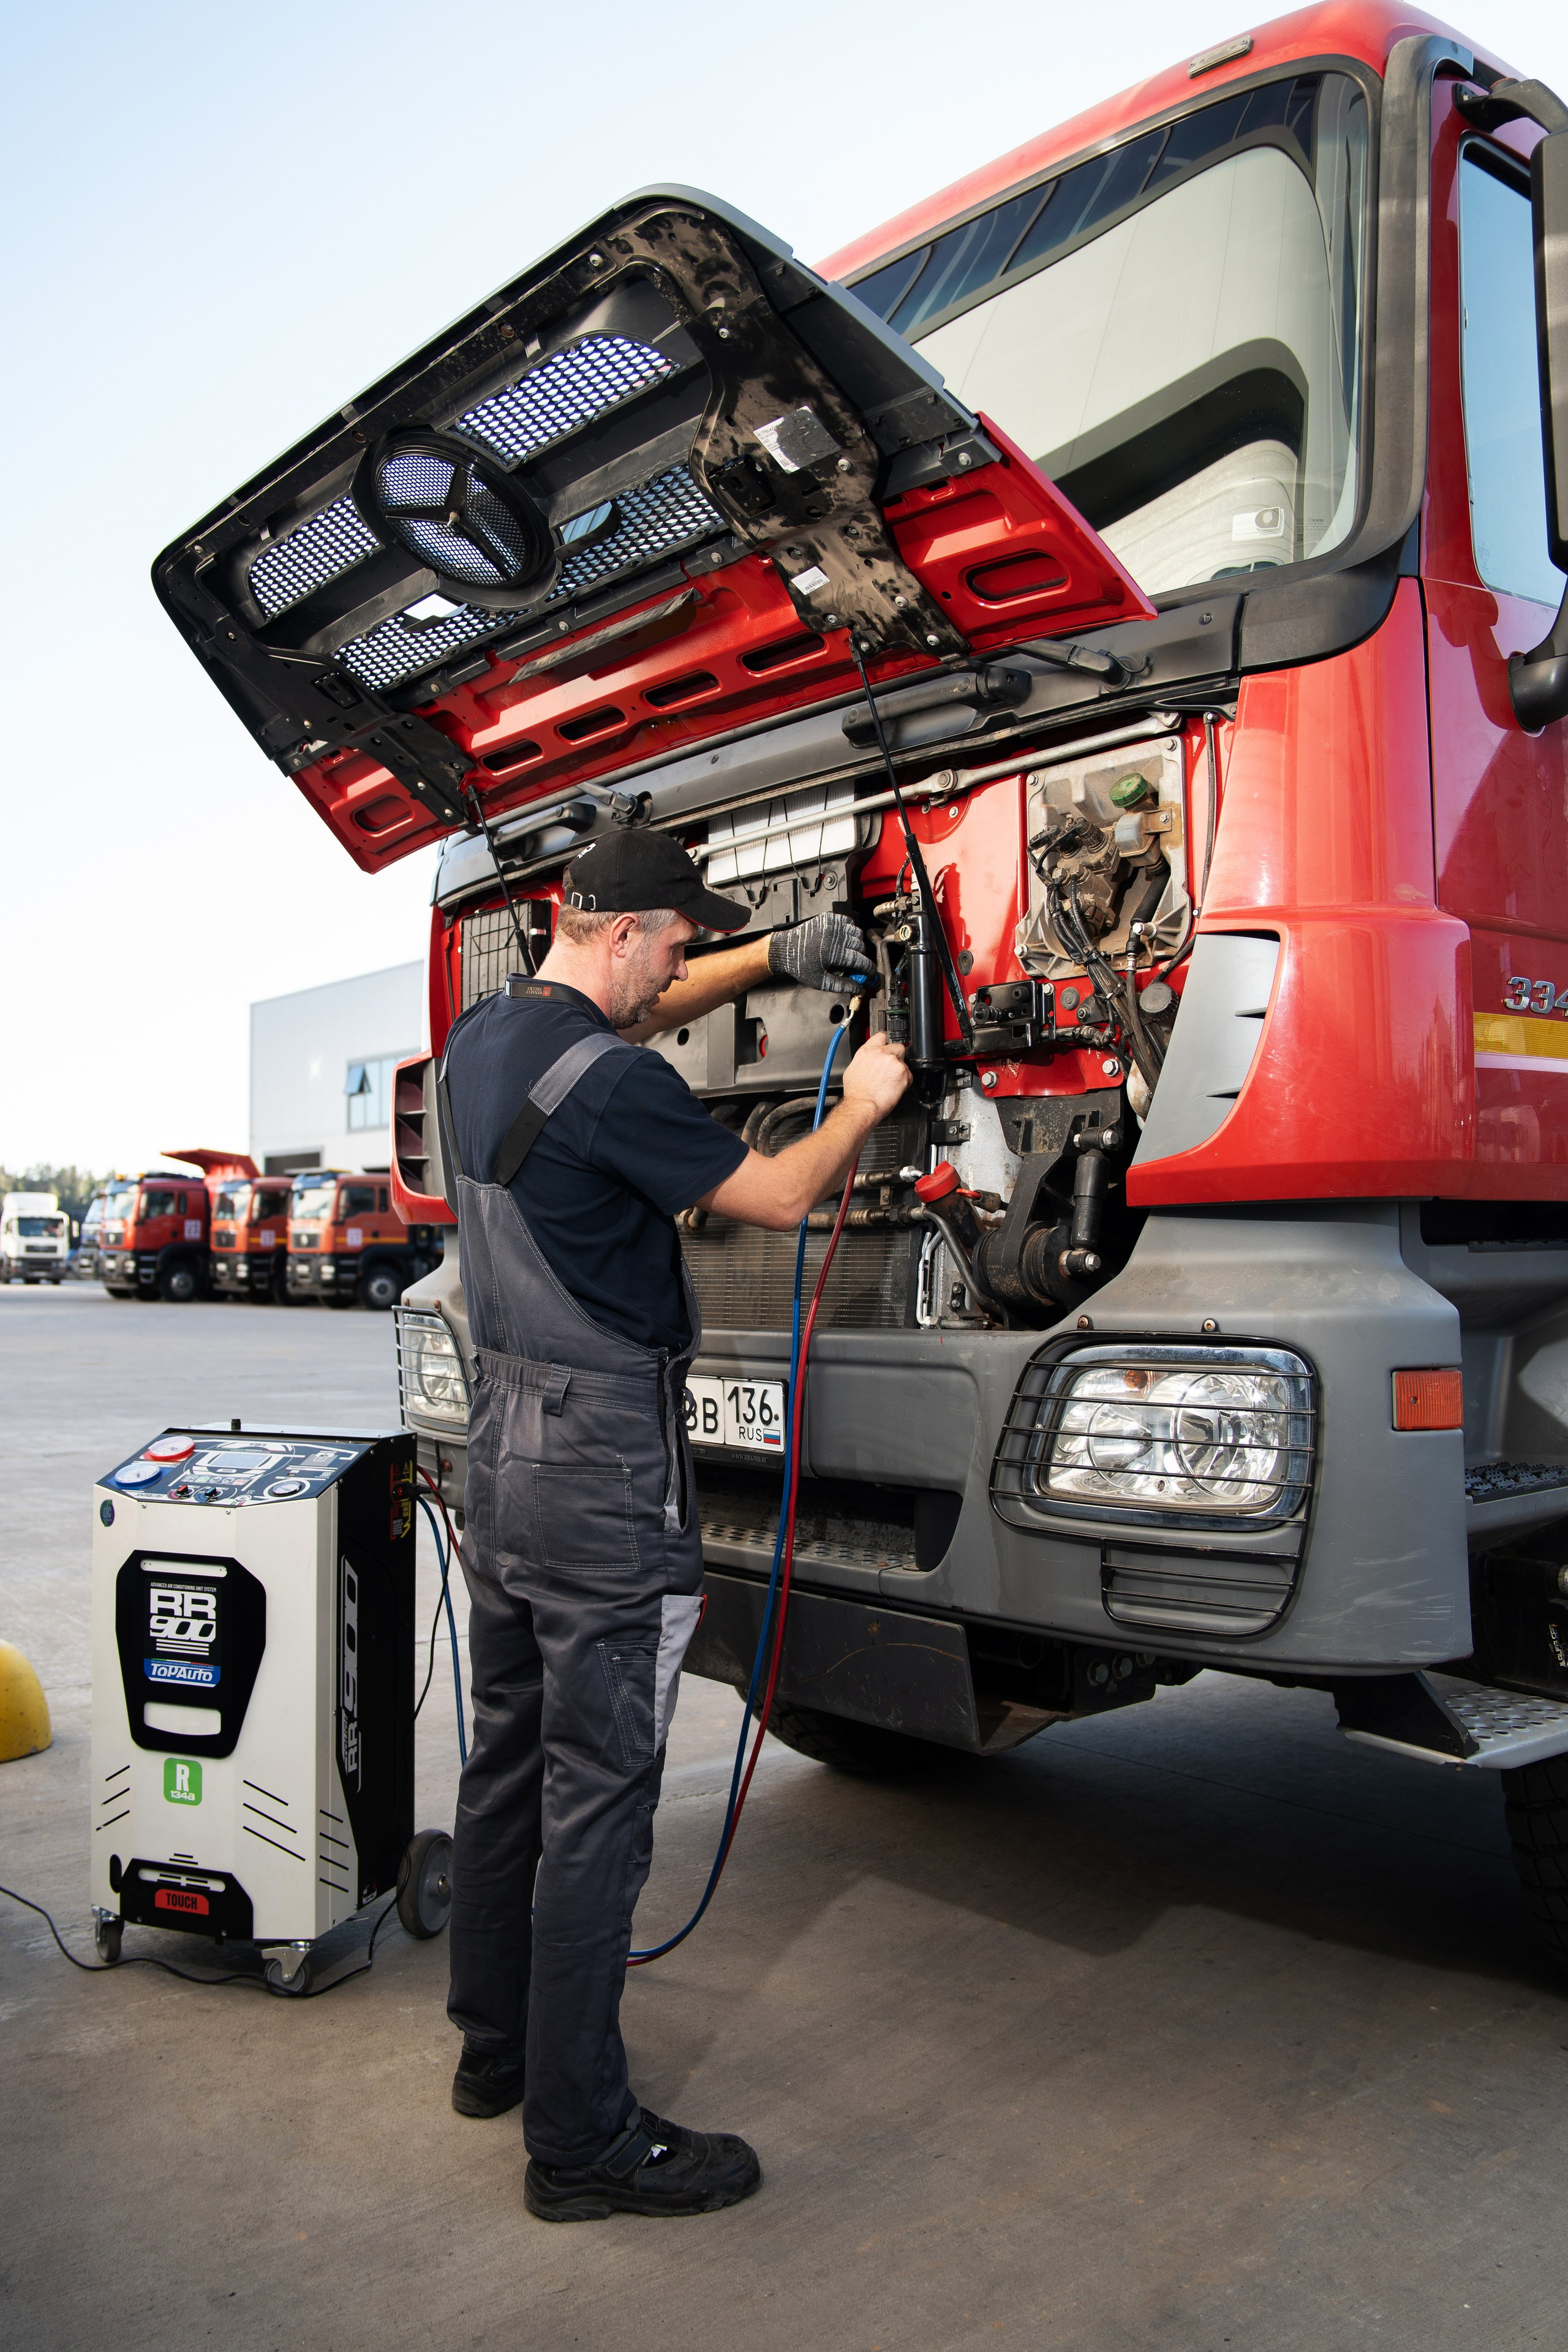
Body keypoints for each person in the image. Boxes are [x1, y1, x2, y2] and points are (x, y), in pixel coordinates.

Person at [438, 826, 911, 2223]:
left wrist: (776, 956)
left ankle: (496, 2054)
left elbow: (626, 1009)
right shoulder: (623, 1087)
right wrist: (866, 1096)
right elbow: (769, 1194)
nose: (680, 968)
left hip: (501, 1453)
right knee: (602, 1801)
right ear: (624, 930)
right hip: (600, 1465)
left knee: (507, 1761)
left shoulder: (484, 1038)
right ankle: (581, 2144)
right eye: (678, 942)